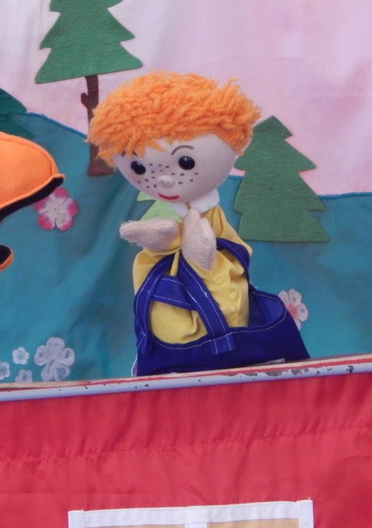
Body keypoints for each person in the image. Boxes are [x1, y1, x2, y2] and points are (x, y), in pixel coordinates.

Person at [87, 71, 261, 345]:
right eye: (139, 167)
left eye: (185, 163)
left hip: (219, 321)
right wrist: (162, 240)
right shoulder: (180, 213)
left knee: (219, 286)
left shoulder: (208, 214)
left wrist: (196, 251)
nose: (164, 180)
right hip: (171, 329)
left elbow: (229, 252)